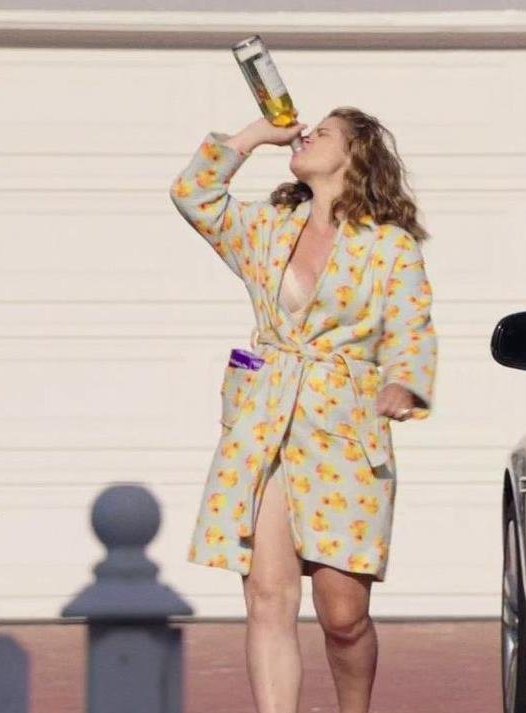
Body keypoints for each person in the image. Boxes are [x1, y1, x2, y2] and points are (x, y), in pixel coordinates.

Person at [169, 106, 439, 713]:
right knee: (268, 599)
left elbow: (412, 329)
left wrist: (404, 385)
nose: (308, 134)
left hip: (343, 431)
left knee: (343, 616)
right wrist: (254, 137)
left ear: (356, 154)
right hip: (263, 422)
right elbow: (193, 193)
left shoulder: (389, 246)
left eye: (325, 132)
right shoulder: (267, 227)